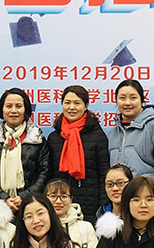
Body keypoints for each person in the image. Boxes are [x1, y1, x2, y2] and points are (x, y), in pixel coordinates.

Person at [107, 79, 154, 209]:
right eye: (122, 98)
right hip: (122, 208)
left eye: (133, 98)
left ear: (142, 100)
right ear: (116, 101)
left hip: (150, 206)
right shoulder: (112, 134)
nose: (127, 103)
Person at [0, 87, 50, 213]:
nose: (13, 110)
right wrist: (4, 197)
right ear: (2, 109)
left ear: (26, 109)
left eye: (18, 106)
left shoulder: (37, 138)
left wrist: (24, 196)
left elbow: (45, 172)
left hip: (31, 203)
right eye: (9, 106)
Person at [44, 85, 110, 222]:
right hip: (59, 204)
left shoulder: (98, 136)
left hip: (90, 204)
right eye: (67, 103)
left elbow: (104, 174)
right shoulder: (54, 137)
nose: (71, 107)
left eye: (77, 103)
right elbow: (49, 174)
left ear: (86, 106)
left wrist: (102, 205)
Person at [46, 174, 95, 248]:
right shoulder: (41, 227)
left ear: (71, 199)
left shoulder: (86, 228)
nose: (58, 201)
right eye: (53, 196)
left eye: (64, 196)